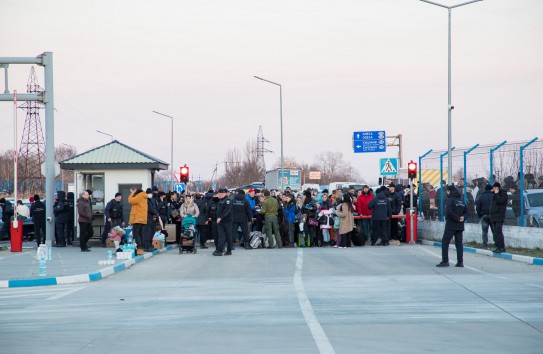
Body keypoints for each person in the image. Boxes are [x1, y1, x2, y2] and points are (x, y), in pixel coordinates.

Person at [436, 185, 467, 267]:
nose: (447, 193)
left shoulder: (450, 200)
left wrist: (457, 218)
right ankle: (460, 262)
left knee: (445, 242)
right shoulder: (461, 200)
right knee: (459, 243)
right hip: (460, 225)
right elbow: (466, 211)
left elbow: (448, 212)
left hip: (451, 225)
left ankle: (445, 260)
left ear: (450, 191)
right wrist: (463, 217)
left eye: (447, 191)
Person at [128, 186, 148, 255]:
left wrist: (132, 194)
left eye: (132, 191)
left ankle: (139, 248)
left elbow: (130, 201)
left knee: (136, 233)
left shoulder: (139, 196)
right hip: (141, 218)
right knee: (140, 233)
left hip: (138, 218)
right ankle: (141, 248)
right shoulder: (143, 196)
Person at [213, 188, 233, 256]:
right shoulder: (220, 200)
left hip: (226, 221)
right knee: (221, 236)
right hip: (220, 221)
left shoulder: (228, 200)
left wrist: (220, 217)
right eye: (219, 194)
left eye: (221, 194)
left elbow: (227, 210)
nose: (220, 195)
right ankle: (220, 250)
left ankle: (229, 250)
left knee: (228, 236)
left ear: (224, 193)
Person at [490, 182, 508, 254]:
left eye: (495, 188)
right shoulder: (494, 194)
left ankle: (502, 247)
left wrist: (496, 194)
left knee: (499, 231)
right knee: (496, 232)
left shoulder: (503, 194)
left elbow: (500, 201)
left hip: (499, 215)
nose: (493, 189)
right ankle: (498, 247)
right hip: (494, 215)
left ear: (498, 188)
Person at [144, 188, 159, 252]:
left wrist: (155, 215)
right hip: (147, 219)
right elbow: (150, 209)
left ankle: (150, 245)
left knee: (152, 232)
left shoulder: (150, 200)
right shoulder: (145, 200)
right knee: (148, 233)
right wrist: (155, 213)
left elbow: (154, 208)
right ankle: (147, 246)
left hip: (151, 218)